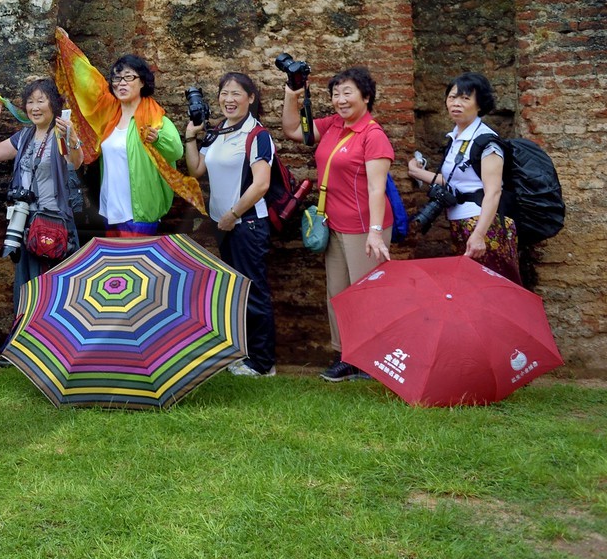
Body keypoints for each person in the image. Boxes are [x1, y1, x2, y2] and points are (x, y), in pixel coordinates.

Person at [283, 66, 394, 382]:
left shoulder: (373, 136)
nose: (341, 100)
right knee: (339, 293)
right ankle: (347, 356)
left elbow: (377, 188)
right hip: (335, 225)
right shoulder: (334, 125)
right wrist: (293, 92)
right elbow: (293, 129)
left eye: (348, 93)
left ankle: (372, 360)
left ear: (366, 96)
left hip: (364, 227)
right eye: (336, 94)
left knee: (366, 295)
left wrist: (375, 232)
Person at [0, 79, 84, 361]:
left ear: (54, 103)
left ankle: (57, 347)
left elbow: (76, 162)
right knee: (26, 284)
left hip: (54, 221)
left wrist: (72, 137)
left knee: (54, 284)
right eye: (30, 102)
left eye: (41, 100)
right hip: (25, 222)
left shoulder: (61, 133)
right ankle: (26, 347)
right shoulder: (24, 136)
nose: (35, 107)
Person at [183, 73, 277, 377]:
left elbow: (261, 184)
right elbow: (197, 169)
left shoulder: (257, 135)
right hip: (224, 225)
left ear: (250, 98)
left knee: (254, 291)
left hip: (246, 224)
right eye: (224, 93)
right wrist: (190, 137)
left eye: (237, 94)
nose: (229, 99)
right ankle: (244, 355)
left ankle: (263, 364)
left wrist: (233, 214)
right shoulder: (219, 131)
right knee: (238, 291)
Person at [406, 72, 521, 285]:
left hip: (484, 225)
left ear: (480, 104)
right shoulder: (456, 137)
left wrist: (479, 235)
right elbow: (455, 180)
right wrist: (416, 172)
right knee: (470, 288)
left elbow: (493, 191)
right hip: (460, 223)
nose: (456, 103)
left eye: (465, 98)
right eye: (452, 97)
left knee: (492, 288)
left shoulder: (486, 142)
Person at [97, 55, 187, 236]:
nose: (121, 83)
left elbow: (176, 151)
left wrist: (158, 139)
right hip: (110, 211)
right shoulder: (109, 121)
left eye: (129, 77)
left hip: (140, 214)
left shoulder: (155, 120)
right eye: (117, 78)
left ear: (142, 82)